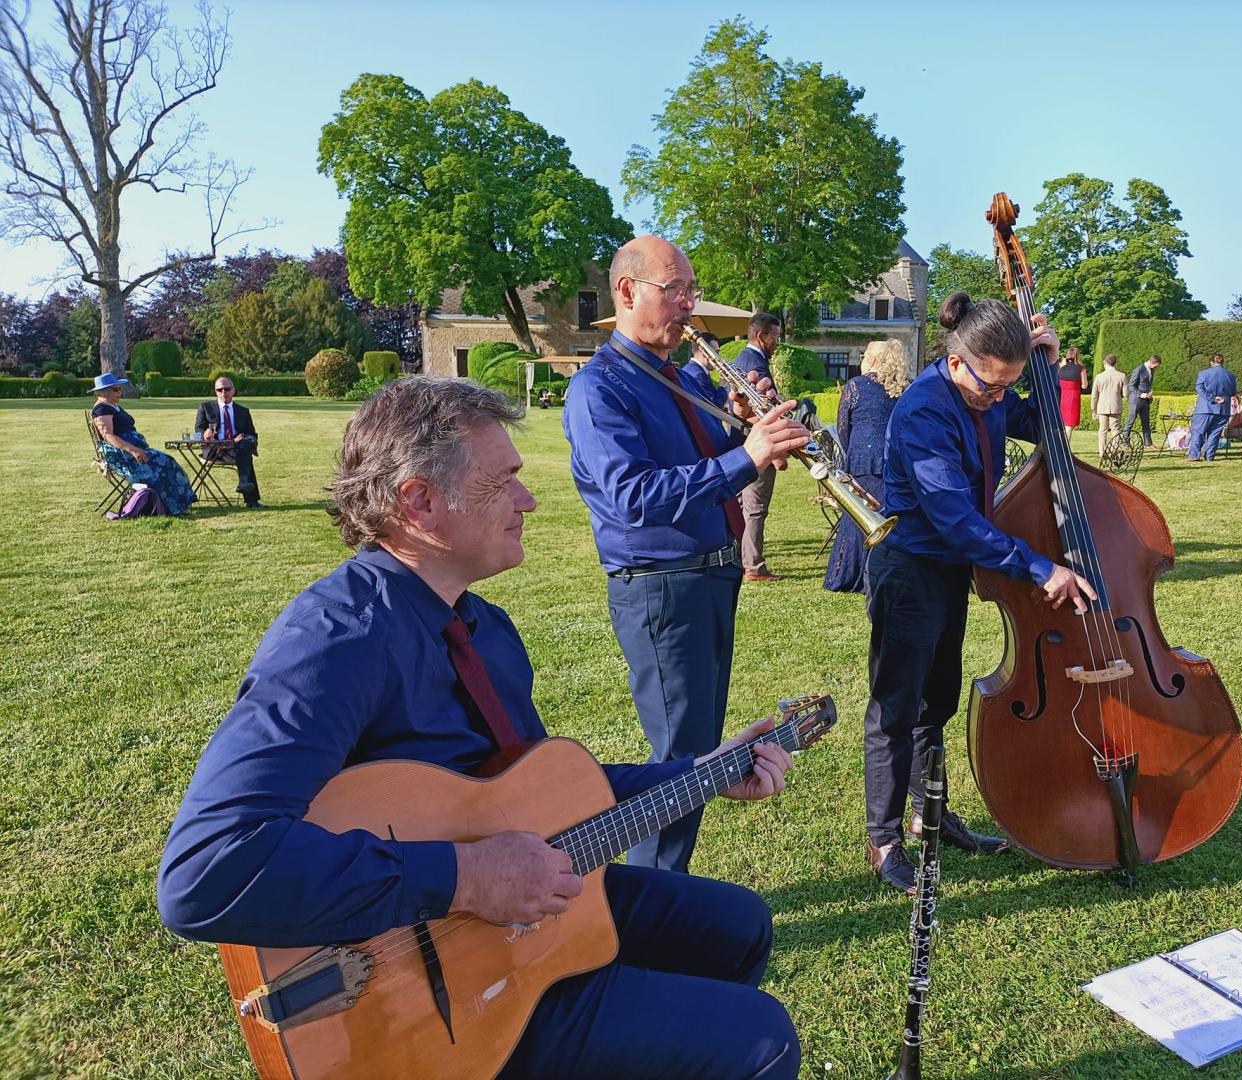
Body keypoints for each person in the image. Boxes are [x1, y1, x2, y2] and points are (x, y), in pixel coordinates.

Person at [156, 377, 801, 1080]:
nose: (528, 501)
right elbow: (204, 874)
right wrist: (464, 877)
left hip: (527, 925)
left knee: (739, 929)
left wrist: (703, 772)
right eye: (503, 484)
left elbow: (537, 794)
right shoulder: (337, 639)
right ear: (418, 502)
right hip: (437, 1003)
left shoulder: (483, 627)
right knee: (762, 1042)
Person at [562, 236, 811, 874]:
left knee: (695, 752)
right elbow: (632, 496)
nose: (689, 306)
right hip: (661, 588)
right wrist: (746, 456)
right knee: (680, 763)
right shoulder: (600, 388)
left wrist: (739, 430)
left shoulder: (671, 376)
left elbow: (695, 466)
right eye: (677, 292)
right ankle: (651, 900)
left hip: (707, 579)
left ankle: (659, 894)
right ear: (627, 292)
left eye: (690, 292)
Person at [862, 293, 1096, 894]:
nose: (999, 398)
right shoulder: (922, 414)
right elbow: (954, 518)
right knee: (895, 709)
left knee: (934, 703)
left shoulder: (987, 393)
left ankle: (929, 815)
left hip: (950, 572)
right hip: (910, 568)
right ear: (958, 360)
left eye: (1007, 386)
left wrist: (1048, 370)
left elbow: (1044, 427)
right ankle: (884, 839)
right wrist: (1042, 568)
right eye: (992, 386)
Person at [823, 339, 909, 594]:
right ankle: (885, 572)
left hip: (862, 458)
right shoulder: (906, 388)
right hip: (894, 461)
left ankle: (848, 575)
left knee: (855, 520)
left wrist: (852, 453)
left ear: (871, 359)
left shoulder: (855, 386)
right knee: (889, 517)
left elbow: (842, 428)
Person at [88, 372, 196, 515]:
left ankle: (178, 504)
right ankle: (168, 507)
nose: (119, 392)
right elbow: (109, 436)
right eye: (115, 390)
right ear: (102, 392)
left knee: (169, 462)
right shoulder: (102, 409)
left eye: (119, 389)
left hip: (136, 451)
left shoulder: (112, 405)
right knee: (163, 467)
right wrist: (134, 451)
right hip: (126, 456)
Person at [732, 313, 785, 583]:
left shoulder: (743, 359)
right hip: (756, 445)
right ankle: (753, 566)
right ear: (762, 336)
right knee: (755, 507)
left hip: (739, 445)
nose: (778, 342)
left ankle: (741, 559)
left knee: (744, 504)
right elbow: (757, 411)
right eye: (775, 336)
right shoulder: (755, 364)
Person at [193, 377, 262, 508]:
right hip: (214, 449)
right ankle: (247, 489)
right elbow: (198, 429)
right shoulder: (206, 408)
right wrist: (205, 433)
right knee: (245, 455)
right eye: (220, 390)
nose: (223, 393)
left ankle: (248, 493)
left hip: (236, 448)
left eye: (227, 389)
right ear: (215, 392)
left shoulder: (243, 411)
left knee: (245, 447)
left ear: (233, 391)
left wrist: (241, 438)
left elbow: (251, 433)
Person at [1187, 355, 1238, 462]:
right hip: (1223, 410)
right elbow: (1233, 393)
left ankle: (1194, 456)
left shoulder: (1203, 373)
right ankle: (1209, 456)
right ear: (1223, 362)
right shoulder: (1231, 376)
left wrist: (1213, 398)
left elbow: (1199, 388)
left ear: (1211, 362)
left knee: (1198, 432)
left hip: (1205, 408)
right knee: (1214, 434)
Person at [1091, 353, 1127, 458]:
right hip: (1116, 406)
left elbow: (1094, 396)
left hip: (1102, 407)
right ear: (1115, 363)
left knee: (1102, 431)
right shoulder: (1122, 376)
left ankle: (1102, 453)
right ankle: (1114, 452)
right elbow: (1126, 394)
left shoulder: (1099, 377)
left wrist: (1093, 410)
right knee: (1116, 430)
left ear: (1105, 363)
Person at [1124, 354, 1162, 448]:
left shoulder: (1151, 370)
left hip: (1146, 400)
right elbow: (1131, 386)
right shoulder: (1139, 370)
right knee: (1130, 421)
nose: (1156, 368)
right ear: (1152, 362)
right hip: (1135, 400)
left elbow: (1148, 384)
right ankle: (1125, 443)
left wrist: (1149, 393)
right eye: (1156, 366)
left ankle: (1148, 443)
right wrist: (1141, 394)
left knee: (1146, 422)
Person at [1057, 346, 1087, 442]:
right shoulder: (1081, 369)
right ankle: (1065, 447)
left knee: (1063, 424)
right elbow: (1084, 385)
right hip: (1073, 398)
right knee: (1069, 426)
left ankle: (1063, 445)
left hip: (1062, 398)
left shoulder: (1061, 368)